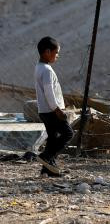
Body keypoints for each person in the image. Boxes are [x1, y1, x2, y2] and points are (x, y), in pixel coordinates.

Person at [34, 36, 73, 177]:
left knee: (52, 138)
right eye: (56, 53)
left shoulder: (39, 67)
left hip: (44, 110)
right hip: (51, 111)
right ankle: (47, 157)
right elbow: (49, 92)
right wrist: (57, 109)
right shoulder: (47, 70)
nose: (57, 56)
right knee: (68, 134)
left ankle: (48, 170)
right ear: (47, 52)